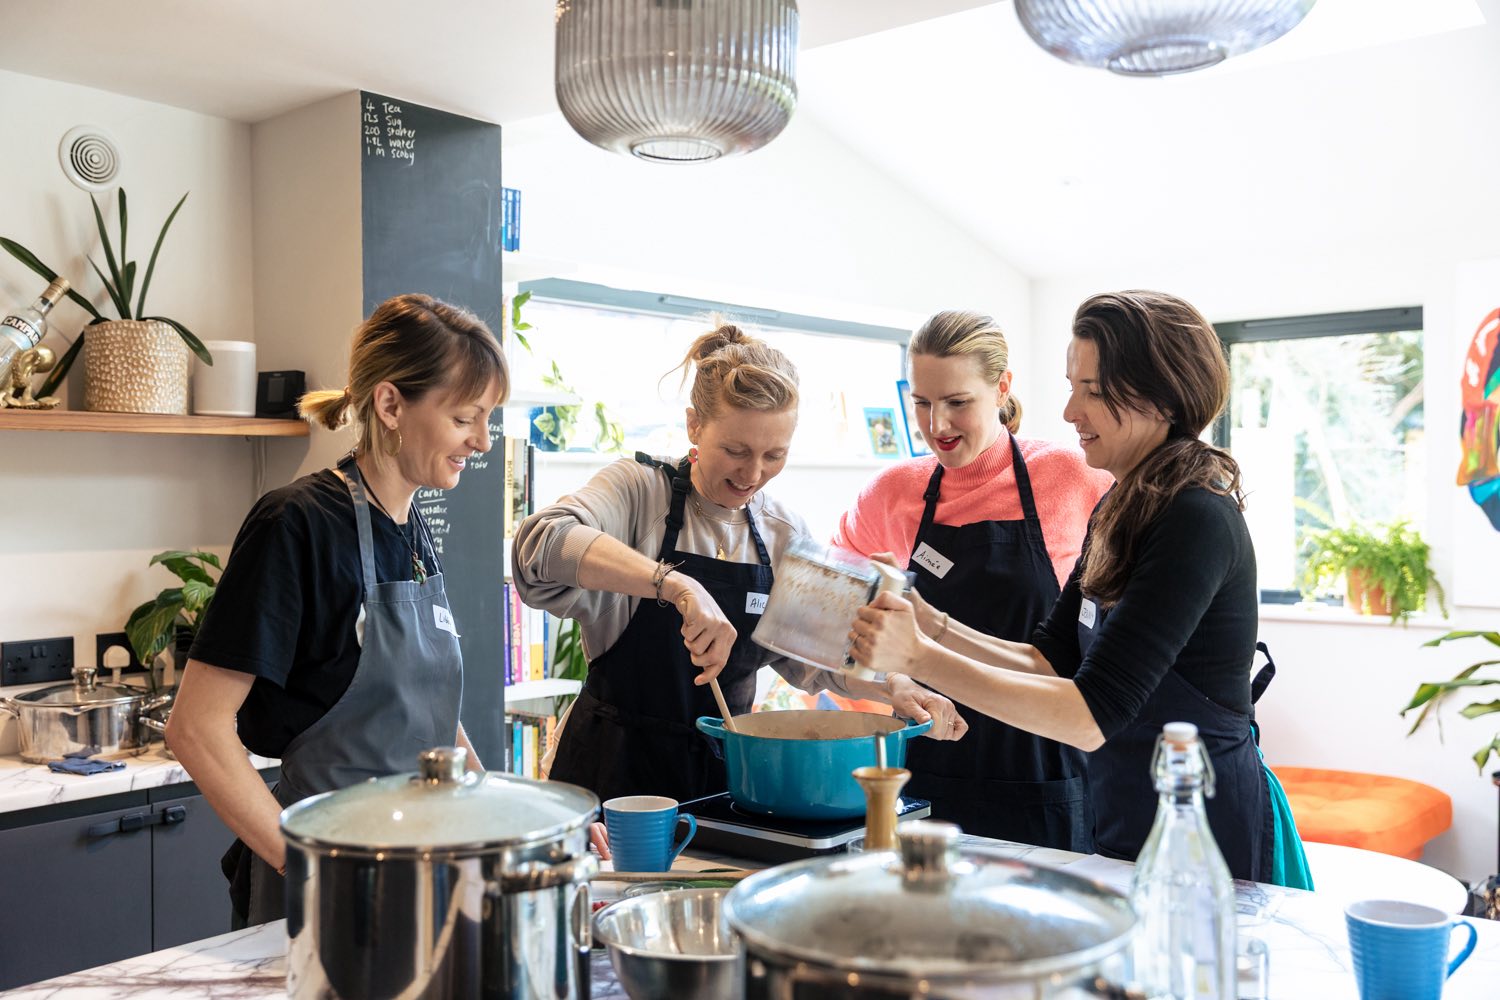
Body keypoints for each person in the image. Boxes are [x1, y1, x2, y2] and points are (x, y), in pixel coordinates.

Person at [850, 291, 1309, 884]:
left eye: (1091, 390)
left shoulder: (1195, 518)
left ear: (1158, 395)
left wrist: (918, 656)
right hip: (1123, 819)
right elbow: (1048, 659)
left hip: (1204, 836)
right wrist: (929, 622)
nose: (1070, 412)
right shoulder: (1122, 504)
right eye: (1074, 387)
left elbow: (1092, 713)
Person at [512, 323, 964, 813]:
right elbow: (541, 542)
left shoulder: (782, 534)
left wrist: (893, 685)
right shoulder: (638, 492)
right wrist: (674, 583)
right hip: (611, 783)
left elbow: (824, 662)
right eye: (735, 450)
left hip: (725, 783)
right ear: (694, 426)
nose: (752, 474)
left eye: (775, 455)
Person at [166, 293, 507, 925]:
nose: (482, 441)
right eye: (466, 418)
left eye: (488, 419)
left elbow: (425, 720)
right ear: (390, 403)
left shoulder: (414, 530)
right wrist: (312, 871)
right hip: (328, 890)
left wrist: (499, 820)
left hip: (421, 875)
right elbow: (196, 728)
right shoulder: (295, 523)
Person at [833, 310, 1111, 850]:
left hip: (1046, 776)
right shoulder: (892, 493)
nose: (937, 424)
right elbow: (826, 611)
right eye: (921, 402)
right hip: (924, 779)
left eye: (958, 402)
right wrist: (889, 682)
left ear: (1002, 388)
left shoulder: (1074, 477)